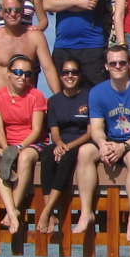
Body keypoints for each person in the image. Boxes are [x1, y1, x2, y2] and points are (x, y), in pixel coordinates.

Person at [77, 44, 130, 244]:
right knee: (85, 151)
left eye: (122, 62)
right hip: (112, 139)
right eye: (113, 63)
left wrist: (125, 146)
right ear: (106, 66)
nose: (118, 66)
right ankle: (86, 212)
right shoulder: (97, 92)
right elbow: (96, 128)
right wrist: (103, 143)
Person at [0, 53, 47, 235]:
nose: (22, 77)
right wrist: (7, 150)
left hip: (31, 143)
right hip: (7, 143)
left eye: (27, 74)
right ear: (8, 73)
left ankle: (12, 209)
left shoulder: (36, 95)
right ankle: (12, 211)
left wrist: (19, 148)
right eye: (18, 72)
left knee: (25, 158)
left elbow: (37, 130)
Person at [36, 56, 92, 236]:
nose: (70, 76)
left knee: (67, 158)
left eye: (74, 72)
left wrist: (69, 146)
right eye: (66, 72)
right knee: (46, 155)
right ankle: (50, 211)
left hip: (81, 141)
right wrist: (59, 143)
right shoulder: (54, 101)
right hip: (62, 142)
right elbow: (54, 131)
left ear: (80, 75)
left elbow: (90, 132)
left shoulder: (88, 96)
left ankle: (46, 211)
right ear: (60, 76)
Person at [0, 0, 61, 96]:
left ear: (23, 11)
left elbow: (48, 69)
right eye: (7, 10)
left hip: (27, 102)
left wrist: (59, 99)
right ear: (0, 12)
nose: (13, 14)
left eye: (17, 10)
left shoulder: (35, 36)